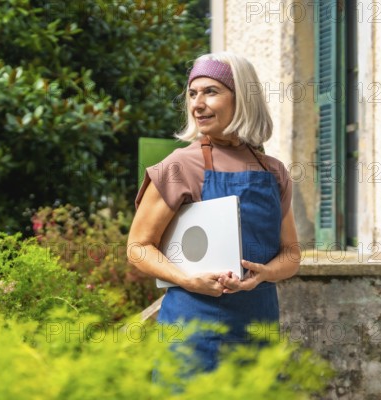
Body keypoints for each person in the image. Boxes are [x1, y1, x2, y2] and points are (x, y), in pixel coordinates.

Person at [126, 52, 301, 372]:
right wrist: (188, 279)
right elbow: (139, 247)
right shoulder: (180, 165)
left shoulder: (273, 171)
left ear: (243, 99)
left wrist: (265, 273)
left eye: (211, 91)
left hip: (257, 331)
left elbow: (291, 253)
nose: (197, 103)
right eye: (192, 94)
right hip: (193, 336)